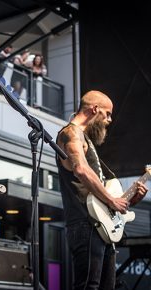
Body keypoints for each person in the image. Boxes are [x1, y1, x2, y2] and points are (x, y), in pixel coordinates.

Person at [56, 90, 148, 290]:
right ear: (94, 109)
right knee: (89, 286)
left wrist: (129, 201)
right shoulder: (70, 133)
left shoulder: (84, 139)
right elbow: (80, 170)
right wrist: (111, 200)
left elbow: (102, 198)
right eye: (107, 113)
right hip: (85, 224)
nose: (109, 119)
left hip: (100, 226)